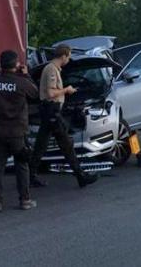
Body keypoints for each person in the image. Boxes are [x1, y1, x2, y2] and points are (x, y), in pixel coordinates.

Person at [30, 44, 98, 188]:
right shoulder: (51, 70)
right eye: (69, 56)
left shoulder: (52, 69)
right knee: (66, 145)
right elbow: (50, 93)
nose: (69, 59)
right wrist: (66, 90)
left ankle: (30, 175)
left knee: (41, 145)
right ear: (63, 56)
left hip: (50, 111)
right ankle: (80, 176)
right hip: (51, 111)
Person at [0, 50, 39, 212]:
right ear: (15, 64)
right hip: (16, 132)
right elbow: (35, 94)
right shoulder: (21, 82)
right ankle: (25, 199)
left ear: (1, 64)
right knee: (21, 165)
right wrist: (26, 75)